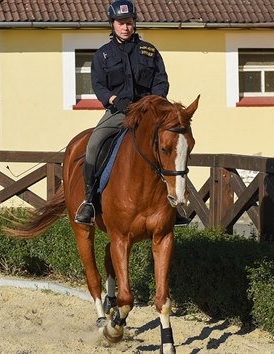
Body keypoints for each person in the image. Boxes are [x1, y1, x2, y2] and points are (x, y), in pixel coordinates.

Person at [74, 0, 190, 227]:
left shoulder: (150, 51)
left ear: (134, 23)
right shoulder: (103, 55)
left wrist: (153, 101)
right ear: (113, 25)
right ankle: (89, 202)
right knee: (94, 145)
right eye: (120, 23)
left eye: (129, 22)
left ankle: (176, 204)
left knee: (174, 145)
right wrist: (114, 99)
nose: (125, 27)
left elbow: (161, 79)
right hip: (119, 112)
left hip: (150, 113)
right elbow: (99, 86)